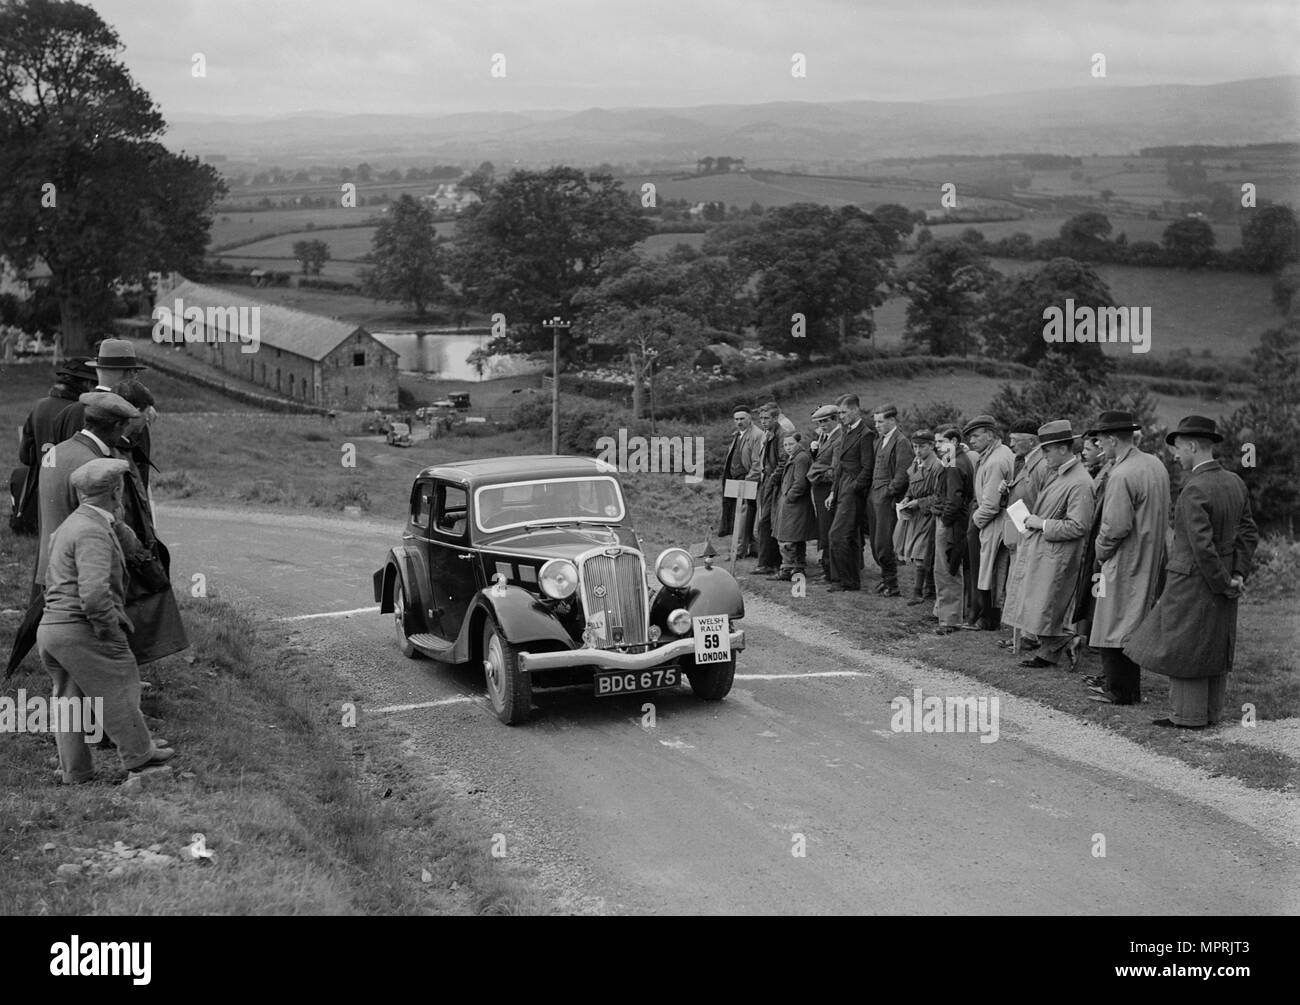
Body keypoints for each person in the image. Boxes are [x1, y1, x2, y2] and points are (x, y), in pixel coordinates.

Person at [37, 458, 175, 783]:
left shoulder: (71, 525)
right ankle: (140, 756)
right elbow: (94, 592)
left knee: (70, 699)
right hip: (83, 627)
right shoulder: (92, 533)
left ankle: (76, 771)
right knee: (119, 686)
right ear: (116, 490)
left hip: (52, 629)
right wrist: (107, 629)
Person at [1124, 416, 1258, 728]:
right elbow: (1248, 534)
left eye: (1178, 449)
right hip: (1224, 578)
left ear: (1194, 446)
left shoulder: (1194, 489)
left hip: (1194, 581)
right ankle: (1211, 714)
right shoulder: (1235, 482)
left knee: (1184, 645)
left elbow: (1202, 547)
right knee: (1212, 642)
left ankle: (1187, 716)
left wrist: (1223, 583)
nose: (1175, 455)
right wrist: (1237, 575)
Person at [1083, 411, 1172, 705]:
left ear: (1111, 440)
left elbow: (1116, 526)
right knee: (1132, 619)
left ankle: (1120, 690)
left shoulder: (1121, 474)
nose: (1099, 446)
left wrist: (1100, 551)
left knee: (1113, 622)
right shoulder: (1154, 463)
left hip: (1126, 556)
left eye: (1100, 440)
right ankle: (1125, 687)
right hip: (1153, 552)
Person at [1002, 421, 1095, 669]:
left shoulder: (1079, 482)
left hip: (1058, 554)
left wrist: (1042, 524)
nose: (1043, 456)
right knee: (1038, 607)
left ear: (1063, 449)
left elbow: (1079, 525)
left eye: (1047, 451)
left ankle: (1063, 642)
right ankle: (1053, 649)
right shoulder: (1059, 474)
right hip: (1046, 551)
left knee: (1045, 607)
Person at [11, 356, 97, 535]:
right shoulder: (82, 411)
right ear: (88, 383)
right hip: (75, 495)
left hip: (44, 491)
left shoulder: (39, 406)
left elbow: (25, 457)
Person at [998, 419, 1051, 649]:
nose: (1011, 445)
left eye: (1014, 440)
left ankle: (1029, 636)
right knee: (1018, 584)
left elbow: (1042, 500)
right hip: (1020, 531)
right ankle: (1022, 635)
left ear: (1031, 441)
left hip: (1031, 533)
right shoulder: (1027, 460)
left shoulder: (1041, 464)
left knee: (1026, 584)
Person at [964, 415, 1015, 630]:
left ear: (990, 435)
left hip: (992, 520)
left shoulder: (996, 460)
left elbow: (991, 504)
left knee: (985, 569)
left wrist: (975, 523)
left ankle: (986, 618)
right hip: (992, 518)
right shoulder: (993, 454)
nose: (972, 441)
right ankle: (983, 615)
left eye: (976, 436)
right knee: (987, 569)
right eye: (970, 437)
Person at [51, 338, 150, 444]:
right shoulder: (132, 415)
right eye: (136, 372)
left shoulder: (68, 412)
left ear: (97, 369)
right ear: (130, 373)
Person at [825, 395, 876, 592]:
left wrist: (853, 489)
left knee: (837, 535)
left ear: (855, 410)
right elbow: (839, 467)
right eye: (839, 413)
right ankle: (851, 581)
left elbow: (867, 468)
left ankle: (845, 581)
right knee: (849, 537)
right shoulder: (846, 432)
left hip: (853, 492)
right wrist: (832, 492)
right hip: (842, 488)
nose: (840, 417)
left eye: (844, 412)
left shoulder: (865, 434)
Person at [867, 404, 912, 597]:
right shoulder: (879, 441)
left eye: (881, 421)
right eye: (875, 421)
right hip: (874, 496)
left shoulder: (901, 441)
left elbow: (902, 472)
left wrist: (889, 491)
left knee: (884, 542)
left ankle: (892, 584)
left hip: (887, 498)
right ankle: (885, 579)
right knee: (876, 542)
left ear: (892, 421)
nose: (877, 425)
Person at [933, 428, 973, 633]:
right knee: (945, 567)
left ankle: (950, 620)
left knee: (947, 569)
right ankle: (943, 612)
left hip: (951, 522)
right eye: (936, 442)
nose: (937, 446)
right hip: (951, 519)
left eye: (942, 441)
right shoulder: (953, 458)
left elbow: (954, 499)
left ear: (954, 441)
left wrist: (945, 519)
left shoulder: (955, 464)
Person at [896, 429, 942, 605]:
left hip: (928, 515)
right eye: (915, 446)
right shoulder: (917, 462)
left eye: (921, 447)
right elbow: (911, 484)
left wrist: (919, 502)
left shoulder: (937, 466)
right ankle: (928, 590)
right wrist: (907, 497)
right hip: (915, 515)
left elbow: (939, 495)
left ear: (931, 446)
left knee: (921, 553)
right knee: (917, 553)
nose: (917, 450)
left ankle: (919, 591)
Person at [717, 405, 764, 557]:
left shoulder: (757, 435)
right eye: (736, 419)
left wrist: (749, 481)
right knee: (740, 514)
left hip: (747, 479)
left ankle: (738, 551)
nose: (739, 422)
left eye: (742, 418)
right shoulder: (738, 434)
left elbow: (757, 463)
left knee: (744, 514)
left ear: (750, 418)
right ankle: (749, 548)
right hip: (734, 479)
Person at [805, 403, 843, 581]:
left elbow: (835, 469)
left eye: (825, 421)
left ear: (835, 419)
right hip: (820, 490)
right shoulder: (826, 437)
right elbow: (822, 461)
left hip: (828, 489)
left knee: (828, 528)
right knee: (824, 528)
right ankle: (827, 567)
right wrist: (814, 453)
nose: (821, 425)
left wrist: (817, 475)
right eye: (819, 422)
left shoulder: (838, 438)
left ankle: (830, 571)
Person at [771, 433, 817, 581]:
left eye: (791, 444)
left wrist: (789, 497)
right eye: (785, 445)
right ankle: (797, 568)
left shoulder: (801, 458)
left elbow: (800, 483)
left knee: (787, 537)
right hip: (793, 504)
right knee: (795, 537)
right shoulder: (795, 457)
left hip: (795, 504)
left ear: (798, 443)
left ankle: (788, 569)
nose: (788, 448)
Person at [753, 406, 786, 575]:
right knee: (765, 521)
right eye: (762, 419)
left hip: (775, 484)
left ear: (775, 418)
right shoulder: (769, 434)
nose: (764, 422)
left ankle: (768, 563)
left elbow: (783, 461)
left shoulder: (781, 435)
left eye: (767, 418)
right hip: (767, 481)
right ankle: (769, 562)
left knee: (766, 521)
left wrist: (772, 479)